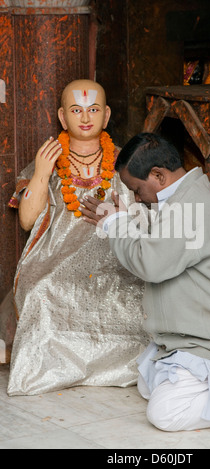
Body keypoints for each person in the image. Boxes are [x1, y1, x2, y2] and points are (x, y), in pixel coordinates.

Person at [80, 132, 210, 430]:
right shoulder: (185, 196)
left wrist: (115, 223)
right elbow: (161, 247)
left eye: (137, 189)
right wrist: (122, 221)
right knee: (148, 384)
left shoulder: (189, 207)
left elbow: (150, 263)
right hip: (199, 336)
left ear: (158, 175)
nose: (137, 197)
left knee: (166, 413)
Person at [5, 80, 148, 396]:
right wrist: (42, 172)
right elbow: (28, 220)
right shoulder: (50, 158)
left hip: (117, 254)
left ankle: (134, 367)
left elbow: (147, 218)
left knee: (141, 292)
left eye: (94, 109)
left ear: (106, 115)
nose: (86, 117)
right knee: (40, 290)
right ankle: (49, 372)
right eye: (76, 109)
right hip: (55, 256)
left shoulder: (127, 160)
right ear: (62, 116)